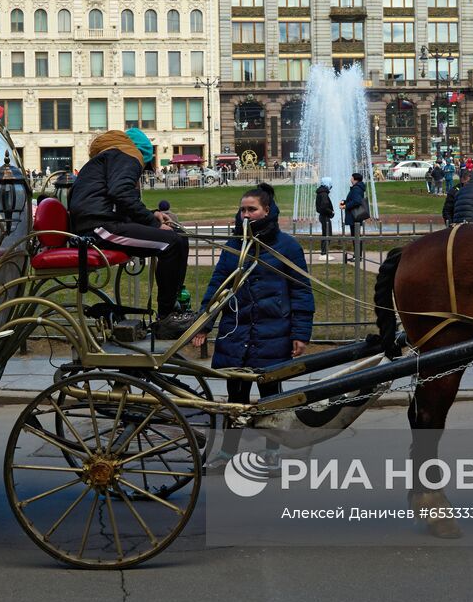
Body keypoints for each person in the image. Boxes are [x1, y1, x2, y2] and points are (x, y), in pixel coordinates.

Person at [193, 185, 314, 471]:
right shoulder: (234, 245)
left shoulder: (287, 246)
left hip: (274, 332)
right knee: (236, 397)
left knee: (272, 397)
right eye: (243, 210)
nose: (246, 215)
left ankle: (272, 451)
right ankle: (227, 453)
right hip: (237, 331)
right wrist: (204, 324)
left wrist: (300, 333)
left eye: (252, 209)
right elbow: (217, 288)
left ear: (267, 211)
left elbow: (301, 291)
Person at [69, 128, 191, 334]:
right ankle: (166, 316)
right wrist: (153, 224)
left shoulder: (110, 155)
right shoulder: (129, 154)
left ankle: (173, 307)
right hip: (100, 226)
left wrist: (151, 216)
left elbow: (116, 197)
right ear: (143, 154)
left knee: (177, 239)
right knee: (171, 243)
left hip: (98, 222)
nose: (142, 171)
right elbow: (121, 193)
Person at [340, 172, 367, 263]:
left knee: (356, 237)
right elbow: (353, 200)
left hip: (354, 216)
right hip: (355, 216)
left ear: (355, 179)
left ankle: (358, 257)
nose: (350, 180)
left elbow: (356, 201)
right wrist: (345, 201)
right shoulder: (358, 188)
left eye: (351, 178)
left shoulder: (356, 189)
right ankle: (357, 256)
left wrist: (345, 206)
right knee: (356, 236)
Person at [315, 177, 335, 258]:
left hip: (323, 216)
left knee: (326, 234)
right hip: (325, 216)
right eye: (330, 183)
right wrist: (331, 212)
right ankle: (324, 253)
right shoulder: (324, 193)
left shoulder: (322, 192)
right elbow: (324, 206)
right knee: (327, 234)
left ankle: (324, 252)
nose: (331, 185)